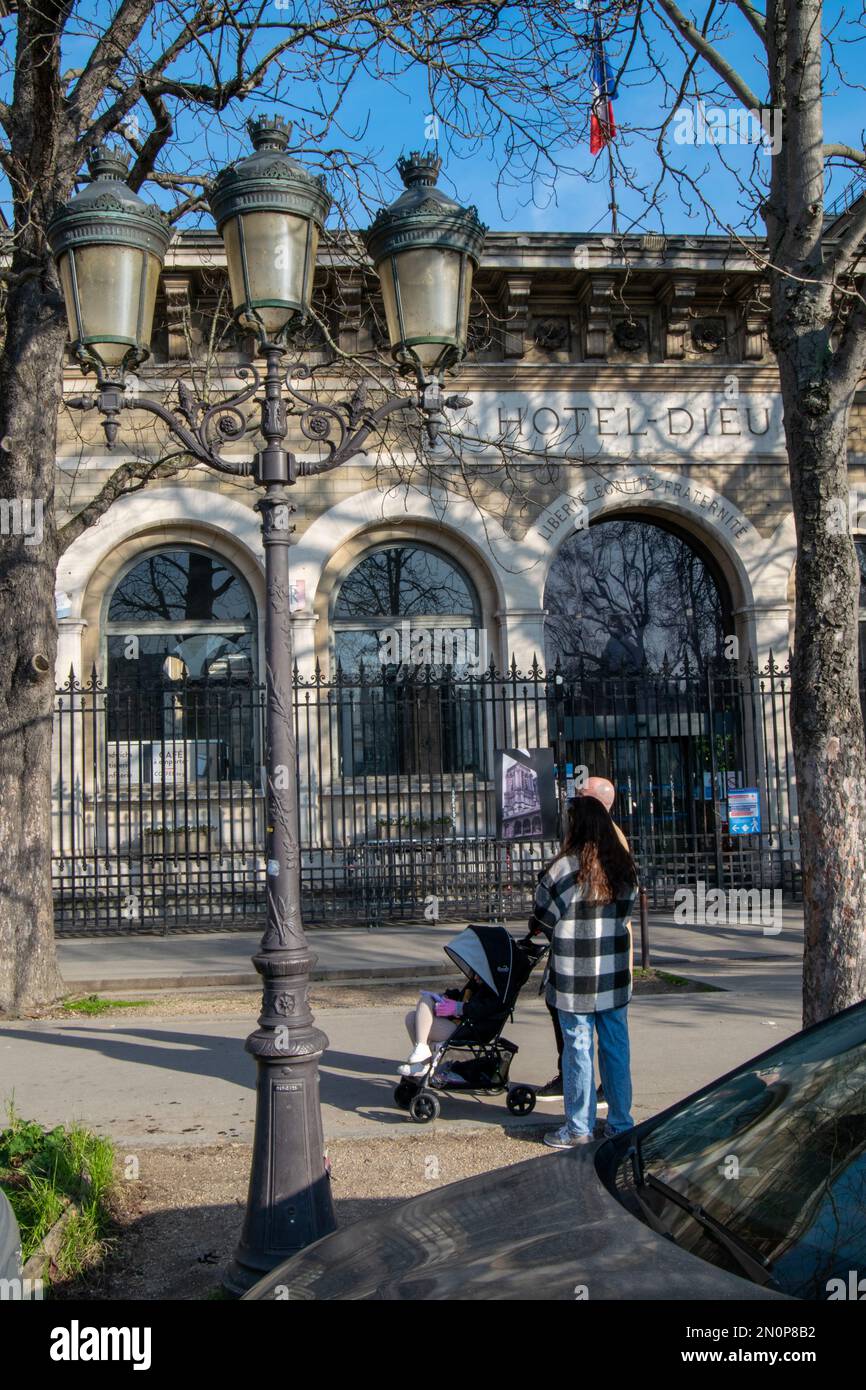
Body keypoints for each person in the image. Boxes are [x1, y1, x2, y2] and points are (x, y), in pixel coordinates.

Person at [529, 795, 638, 1148]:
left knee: (577, 1050)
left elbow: (542, 919)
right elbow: (628, 912)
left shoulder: (563, 870)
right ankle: (621, 1123)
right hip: (614, 973)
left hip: (574, 977)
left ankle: (579, 1127)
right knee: (616, 1048)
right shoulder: (623, 866)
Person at [399, 974, 501, 1076]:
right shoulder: (476, 983)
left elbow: (483, 1009)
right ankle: (423, 1057)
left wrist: (459, 1008)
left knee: (414, 1018)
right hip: (458, 1023)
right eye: (475, 975)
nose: (475, 978)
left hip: (469, 1029)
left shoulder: (494, 991)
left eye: (479, 976)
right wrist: (446, 996)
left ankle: (423, 1060)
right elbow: (461, 995)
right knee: (414, 1014)